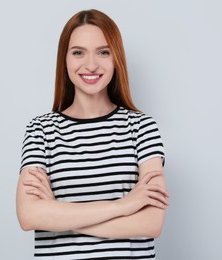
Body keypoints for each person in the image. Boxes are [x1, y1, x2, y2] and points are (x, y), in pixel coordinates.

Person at [16, 9, 169, 259]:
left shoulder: (142, 127)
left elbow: (151, 222)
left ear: (115, 58)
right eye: (78, 52)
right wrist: (124, 206)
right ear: (64, 59)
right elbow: (29, 216)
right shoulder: (40, 130)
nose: (91, 64)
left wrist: (57, 214)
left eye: (103, 52)